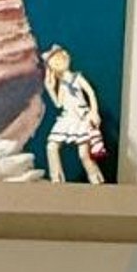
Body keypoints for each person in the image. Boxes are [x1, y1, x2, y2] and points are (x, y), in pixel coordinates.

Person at [43, 44, 106, 183]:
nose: (57, 64)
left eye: (58, 59)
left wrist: (94, 111)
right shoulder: (62, 84)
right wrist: (50, 89)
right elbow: (59, 104)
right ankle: (56, 179)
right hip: (68, 118)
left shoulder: (77, 78)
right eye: (54, 63)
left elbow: (91, 93)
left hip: (82, 118)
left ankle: (96, 180)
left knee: (83, 154)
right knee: (51, 146)